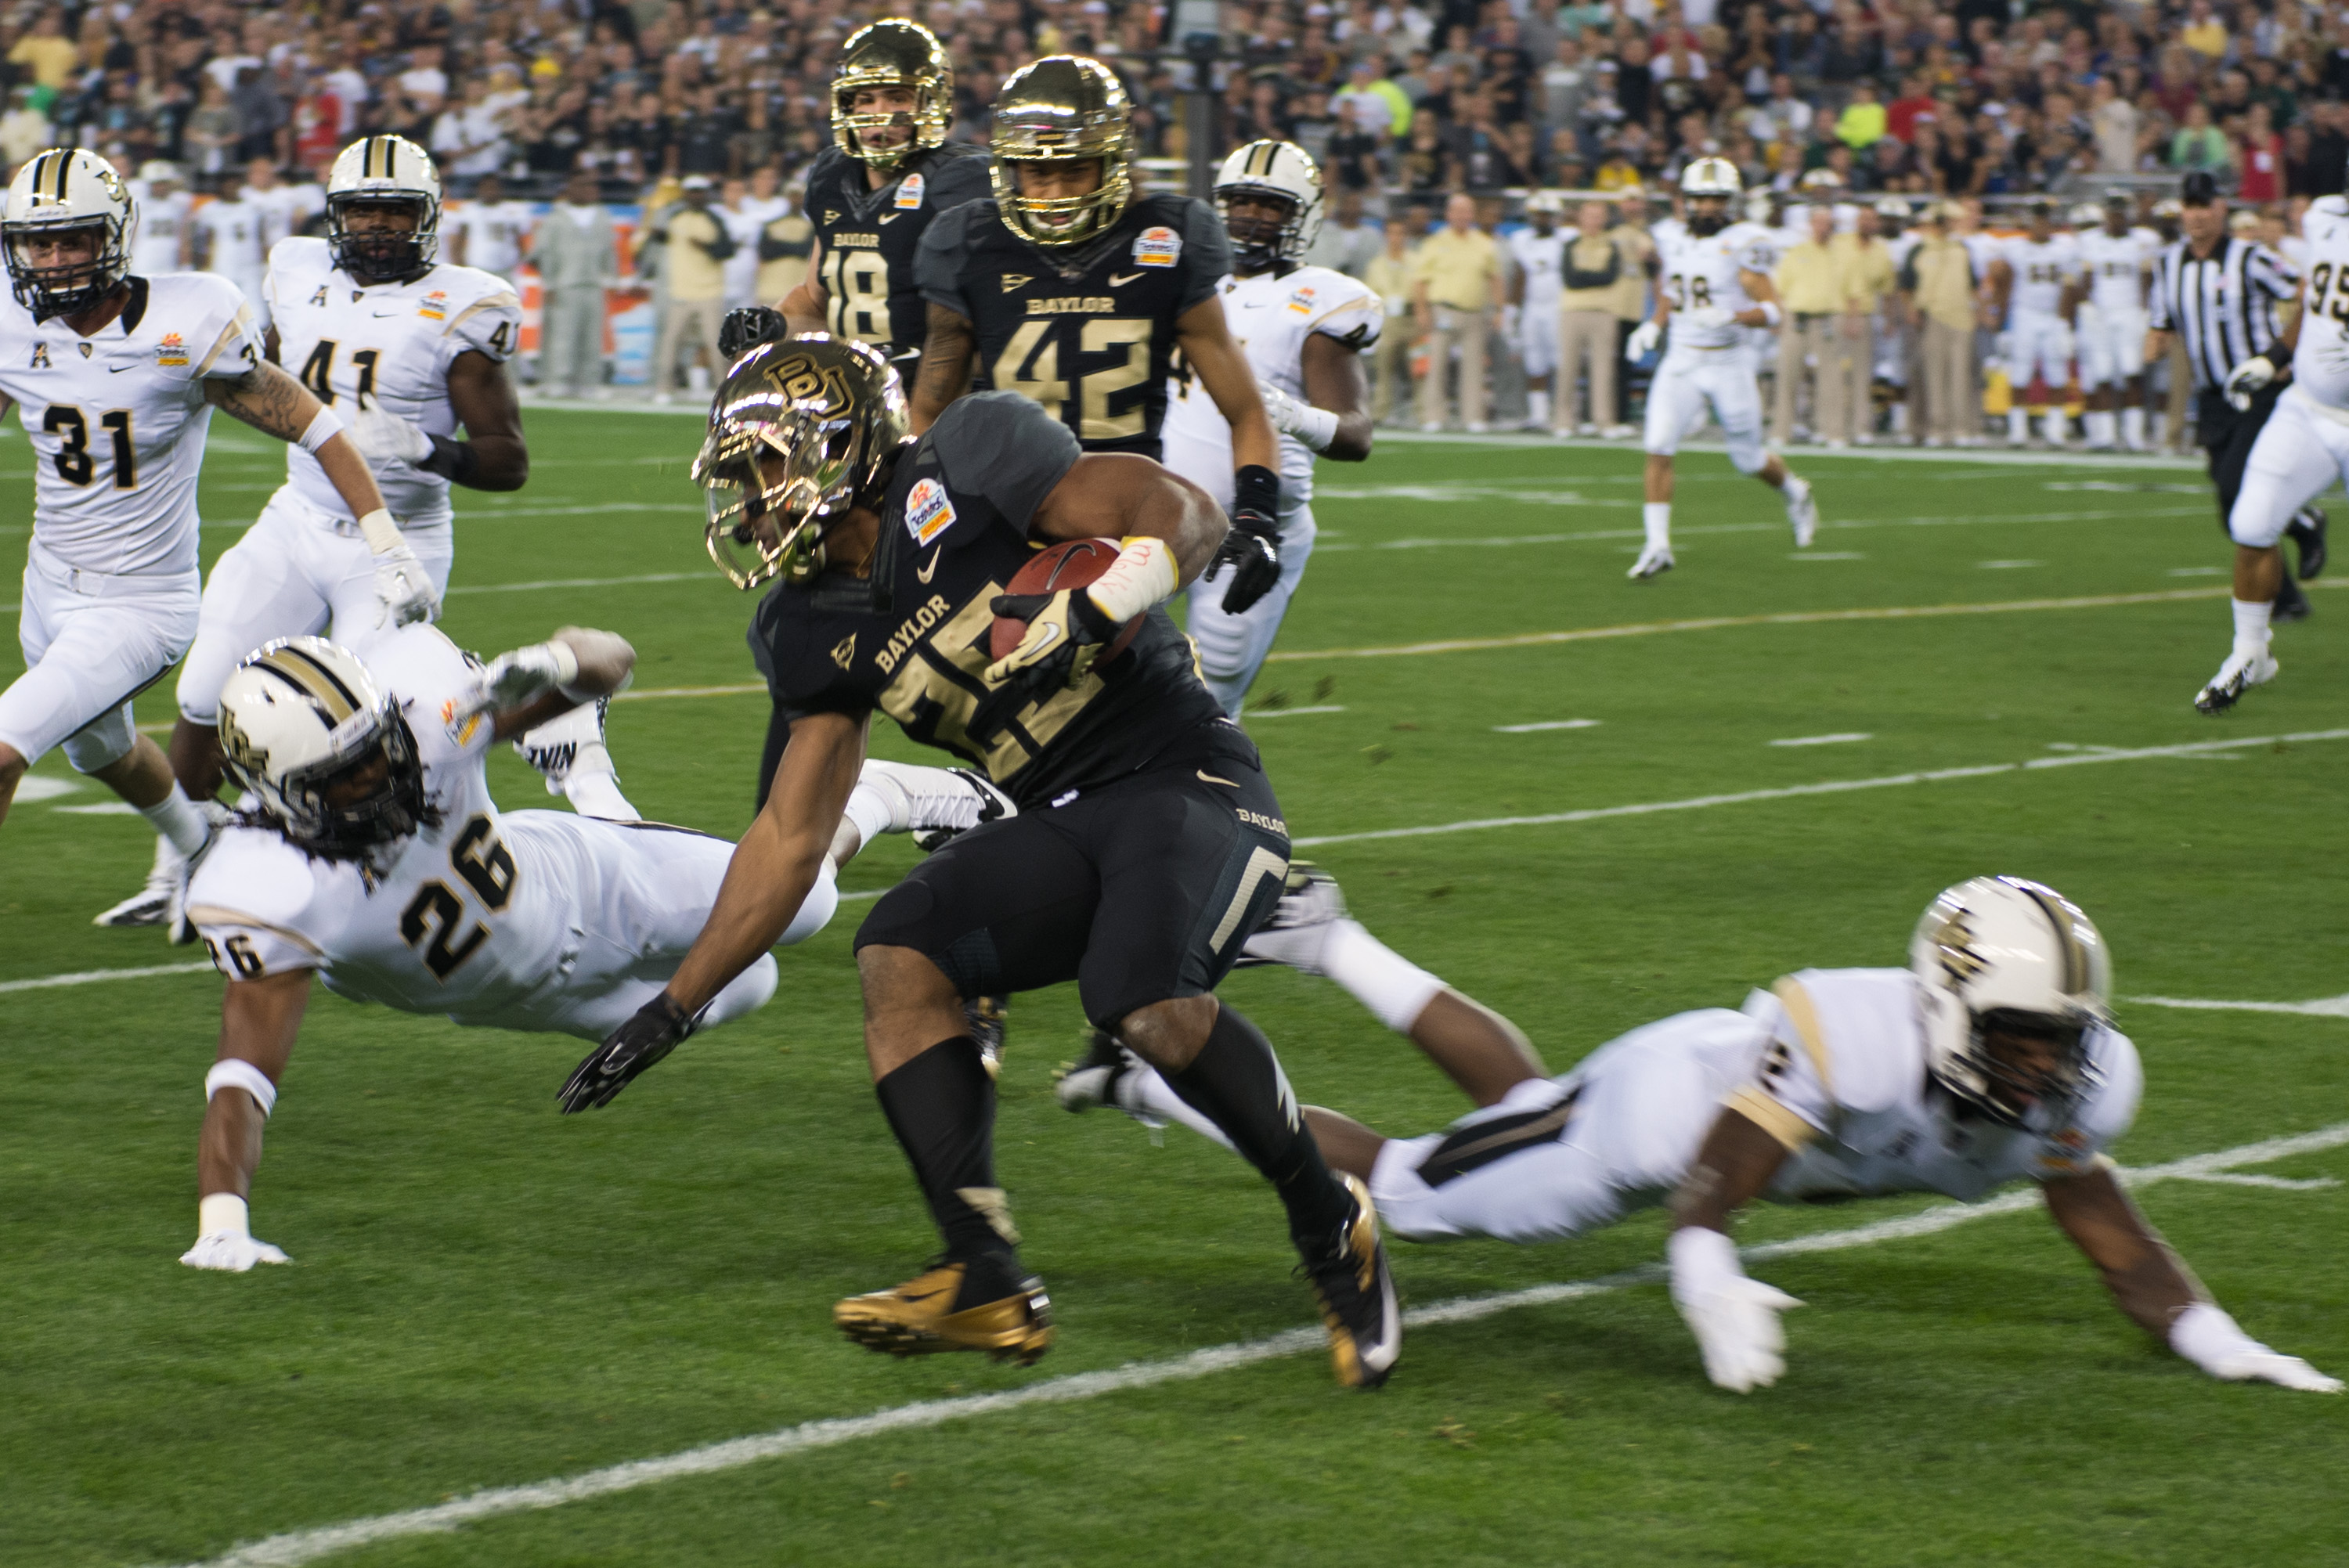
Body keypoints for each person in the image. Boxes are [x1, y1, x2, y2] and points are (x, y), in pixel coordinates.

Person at [558, 338, 1402, 1389]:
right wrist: (674, 1005)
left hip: (1186, 776)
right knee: (900, 948)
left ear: (842, 447)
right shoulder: (807, 621)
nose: (754, 500)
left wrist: (1108, 596)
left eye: (768, 463)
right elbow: (789, 835)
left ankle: (1330, 1220)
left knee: (1142, 1002)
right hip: (1059, 812)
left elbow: (1185, 511)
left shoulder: (968, 458)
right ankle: (982, 1269)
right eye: (743, 474)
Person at [1076, 875, 2341, 1397]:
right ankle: (1156, 1080)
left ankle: (1330, 938)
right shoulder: (1861, 1033)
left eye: (2064, 1038)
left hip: (1687, 1098)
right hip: (1659, 1119)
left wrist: (2218, 1337)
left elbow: (2117, 1240)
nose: (2049, 1065)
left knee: (1519, 1105)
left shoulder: (2068, 1094)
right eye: (2024, 1035)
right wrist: (1705, 1271)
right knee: (1408, 1188)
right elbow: (1715, 1179)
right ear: (1951, 1006)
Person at [176, 625, 841, 1272]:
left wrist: (557, 662)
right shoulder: (270, 892)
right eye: (346, 774)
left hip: (587, 882)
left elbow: (614, 661)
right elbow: (241, 1076)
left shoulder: (429, 715)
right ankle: (590, 778)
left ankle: (868, 801)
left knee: (809, 904)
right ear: (280, 791)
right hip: (533, 1000)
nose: (382, 776)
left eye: (379, 747)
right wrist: (222, 1225)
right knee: (751, 982)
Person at [110, 135, 547, 931]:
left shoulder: (466, 304)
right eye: (362, 210)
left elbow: (508, 461)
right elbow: (272, 373)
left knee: (360, 730)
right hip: (297, 519)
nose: (378, 226)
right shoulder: (295, 268)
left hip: (397, 543)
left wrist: (423, 447)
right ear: (335, 215)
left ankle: (359, 887)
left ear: (427, 217)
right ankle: (180, 866)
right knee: (202, 691)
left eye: (395, 211)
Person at [0, 150, 381, 892]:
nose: (54, 259)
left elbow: (315, 424)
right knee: (100, 750)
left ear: (114, 236)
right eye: (38, 244)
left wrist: (385, 538)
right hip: (45, 585)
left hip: (137, 604)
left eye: (74, 240)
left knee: (5, 750)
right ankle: (202, 844)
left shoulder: (186, 320)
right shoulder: (12, 322)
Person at [1161, 141, 1377, 719]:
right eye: (1241, 202)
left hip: (1251, 530)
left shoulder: (1319, 299)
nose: (1251, 216)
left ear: (1302, 216)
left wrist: (1290, 414)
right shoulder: (1184, 282)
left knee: (1212, 691)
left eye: (1271, 205)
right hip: (1157, 512)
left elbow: (1357, 436)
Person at [2145, 170, 2322, 712]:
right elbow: (2163, 321)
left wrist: (2276, 354)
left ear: (2221, 209)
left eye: (2206, 204)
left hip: (2260, 391)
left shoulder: (2250, 257)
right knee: (2234, 513)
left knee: (2234, 488)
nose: (2198, 213)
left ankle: (2300, 533)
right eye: (2190, 204)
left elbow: (2307, 291)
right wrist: (2150, 346)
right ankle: (2292, 576)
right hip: (2214, 398)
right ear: (2182, 210)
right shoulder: (2168, 263)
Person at [760, 21, 990, 380]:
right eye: (866, 99)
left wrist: (927, 360)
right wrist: (770, 327)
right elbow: (817, 303)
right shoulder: (833, 176)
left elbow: (1000, 323)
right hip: (857, 392)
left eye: (897, 98)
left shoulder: (961, 180)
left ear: (933, 102)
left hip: (945, 393)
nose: (879, 113)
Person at [2192, 187, 2349, 712]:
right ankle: (2250, 652)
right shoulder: (2327, 218)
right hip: (2308, 407)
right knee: (2252, 524)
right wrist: (2274, 357)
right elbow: (2314, 302)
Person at [1627, 158, 1817, 580]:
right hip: (1682, 359)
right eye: (1701, 199)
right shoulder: (1670, 236)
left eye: (1717, 199)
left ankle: (1794, 490)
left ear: (1731, 202)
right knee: (1658, 446)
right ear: (1686, 200)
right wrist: (1653, 324)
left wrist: (1732, 316)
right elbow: (1672, 288)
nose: (1709, 207)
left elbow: (1773, 311)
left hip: (1728, 362)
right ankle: (1657, 545)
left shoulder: (1744, 243)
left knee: (1748, 459)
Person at [1988, 199, 2082, 448]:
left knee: (2057, 374)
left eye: (2046, 220)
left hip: (2053, 316)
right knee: (2020, 372)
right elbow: (2003, 283)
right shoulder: (2014, 248)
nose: (2041, 225)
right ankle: (2017, 430)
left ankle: (2055, 430)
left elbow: (2071, 289)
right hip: (2024, 315)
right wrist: (2001, 321)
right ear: (2031, 222)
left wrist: (2067, 323)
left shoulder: (2065, 248)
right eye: (2038, 220)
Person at [1410, 193, 1503, 431]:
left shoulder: (1484, 243)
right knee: (1436, 364)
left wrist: (1499, 309)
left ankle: (1472, 417)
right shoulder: (1435, 243)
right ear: (1448, 214)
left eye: (1466, 211)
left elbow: (1495, 278)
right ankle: (1434, 416)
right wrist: (1421, 310)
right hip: (1443, 310)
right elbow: (1420, 281)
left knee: (1474, 367)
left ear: (1472, 215)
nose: (1462, 216)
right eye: (1457, 211)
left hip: (1474, 311)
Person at [2076, 192, 2158, 452]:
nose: (2117, 218)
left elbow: (2146, 280)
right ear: (2105, 215)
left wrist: (2145, 312)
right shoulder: (2090, 241)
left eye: (2121, 213)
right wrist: (2087, 305)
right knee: (2102, 374)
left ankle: (2134, 436)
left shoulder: (2142, 241)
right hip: (2101, 314)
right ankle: (2106, 435)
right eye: (2113, 213)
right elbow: (2087, 278)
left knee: (2132, 372)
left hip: (2129, 312)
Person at [530, 168, 616, 401]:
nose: (590, 190)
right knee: (562, 337)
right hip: (565, 284)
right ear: (570, 188)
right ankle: (558, 381)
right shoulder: (556, 218)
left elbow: (609, 250)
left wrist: (612, 277)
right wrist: (549, 284)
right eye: (583, 185)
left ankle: (589, 382)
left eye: (592, 185)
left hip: (594, 283)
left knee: (592, 337)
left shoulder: (602, 216)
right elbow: (543, 253)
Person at [646, 174, 732, 404]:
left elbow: (727, 250)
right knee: (671, 343)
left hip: (709, 292)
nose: (696, 196)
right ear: (686, 194)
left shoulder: (714, 220)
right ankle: (664, 388)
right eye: (692, 192)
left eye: (699, 192)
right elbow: (662, 238)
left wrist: (706, 247)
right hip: (681, 291)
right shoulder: (675, 217)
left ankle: (723, 392)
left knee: (716, 346)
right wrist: (656, 235)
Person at [1557, 198, 1626, 438]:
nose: (1594, 221)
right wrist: (1594, 276)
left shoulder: (1611, 246)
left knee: (1603, 369)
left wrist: (1586, 275)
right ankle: (1564, 420)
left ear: (1605, 219)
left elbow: (1610, 277)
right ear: (1580, 218)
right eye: (1589, 215)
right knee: (1568, 367)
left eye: (1598, 216)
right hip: (1573, 311)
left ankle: (1603, 421)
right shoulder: (1571, 245)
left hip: (1603, 312)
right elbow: (1570, 279)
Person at [1508, 191, 1568, 431]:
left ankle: (1564, 413)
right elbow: (1520, 275)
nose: (1542, 219)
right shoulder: (1521, 239)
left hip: (1558, 306)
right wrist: (1512, 309)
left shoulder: (1567, 239)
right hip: (1533, 307)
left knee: (1562, 361)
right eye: (1538, 215)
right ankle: (1539, 414)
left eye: (1547, 215)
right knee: (1535, 361)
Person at [190, 164, 266, 320]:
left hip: (250, 261)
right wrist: (205, 265)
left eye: (235, 184)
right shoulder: (210, 210)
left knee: (255, 304)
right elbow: (206, 240)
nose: (231, 188)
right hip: (223, 261)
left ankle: (257, 331)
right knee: (223, 302)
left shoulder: (253, 208)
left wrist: (264, 261)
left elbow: (261, 236)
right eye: (228, 185)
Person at [446, 171, 535, 292]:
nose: (490, 191)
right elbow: (458, 242)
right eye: (486, 187)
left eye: (493, 187)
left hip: (506, 269)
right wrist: (460, 267)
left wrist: (519, 263)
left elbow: (521, 241)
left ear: (500, 189)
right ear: (479, 189)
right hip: (478, 268)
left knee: (508, 300)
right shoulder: (469, 211)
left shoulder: (512, 211)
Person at [129, 160, 192, 275]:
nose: (161, 187)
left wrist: (185, 264)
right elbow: (132, 235)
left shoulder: (179, 205)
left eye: (164, 183)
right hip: (143, 260)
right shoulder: (138, 205)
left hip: (169, 262)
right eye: (156, 184)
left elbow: (183, 237)